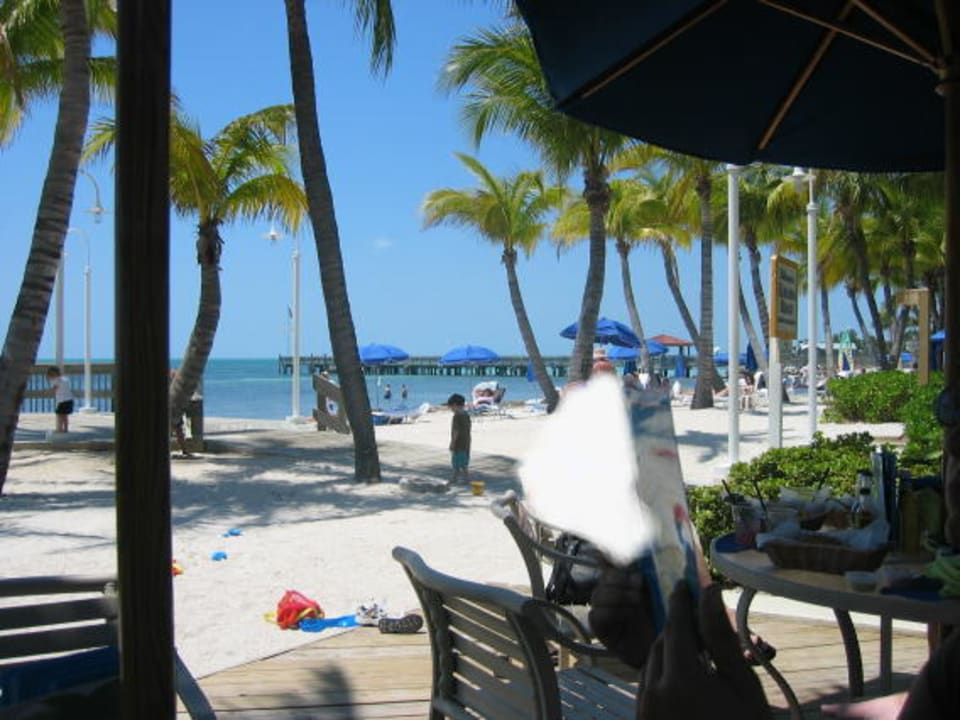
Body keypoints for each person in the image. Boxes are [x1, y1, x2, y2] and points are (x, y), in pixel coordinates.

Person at [446, 393, 471, 484]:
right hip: (466, 442)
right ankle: (464, 478)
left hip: (458, 443)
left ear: (455, 405)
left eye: (451, 407)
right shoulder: (466, 415)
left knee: (456, 462)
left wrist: (452, 443)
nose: (451, 409)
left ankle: (456, 478)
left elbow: (456, 431)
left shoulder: (456, 417)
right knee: (464, 462)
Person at [46, 366, 74, 433]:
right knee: (65, 416)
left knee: (59, 415)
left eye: (50, 375)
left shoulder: (56, 380)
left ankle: (60, 429)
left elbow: (55, 389)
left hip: (63, 401)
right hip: (70, 400)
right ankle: (66, 429)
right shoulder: (65, 379)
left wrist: (48, 391)